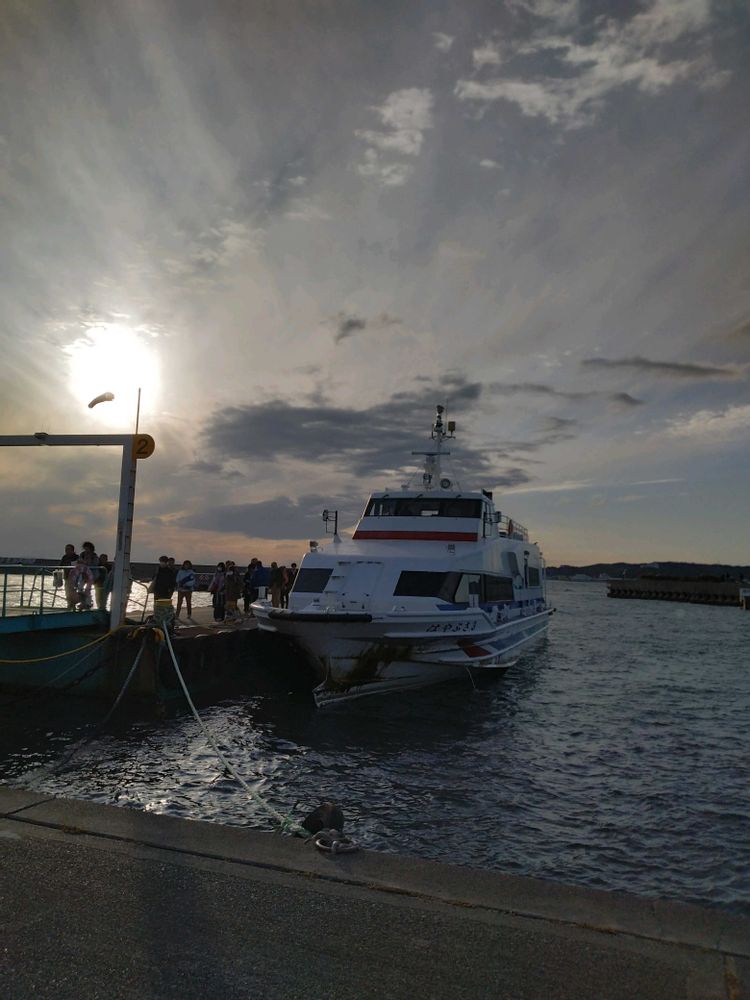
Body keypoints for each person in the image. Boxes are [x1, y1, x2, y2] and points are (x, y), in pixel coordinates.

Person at [150, 555, 177, 628]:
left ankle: (165, 620)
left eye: (164, 562)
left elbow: (172, 582)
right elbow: (153, 578)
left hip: (166, 592)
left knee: (165, 606)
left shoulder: (169, 571)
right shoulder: (157, 570)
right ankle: (157, 618)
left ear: (166, 562)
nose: (162, 563)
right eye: (161, 561)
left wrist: (170, 590)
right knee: (156, 605)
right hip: (157, 590)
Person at [60, 543, 79, 610]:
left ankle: (73, 605)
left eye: (68, 549)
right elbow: (60, 565)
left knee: (73, 592)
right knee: (67, 592)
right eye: (66, 549)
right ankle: (69, 605)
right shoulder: (64, 557)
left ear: (72, 550)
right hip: (67, 577)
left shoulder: (76, 557)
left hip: (75, 578)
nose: (66, 551)